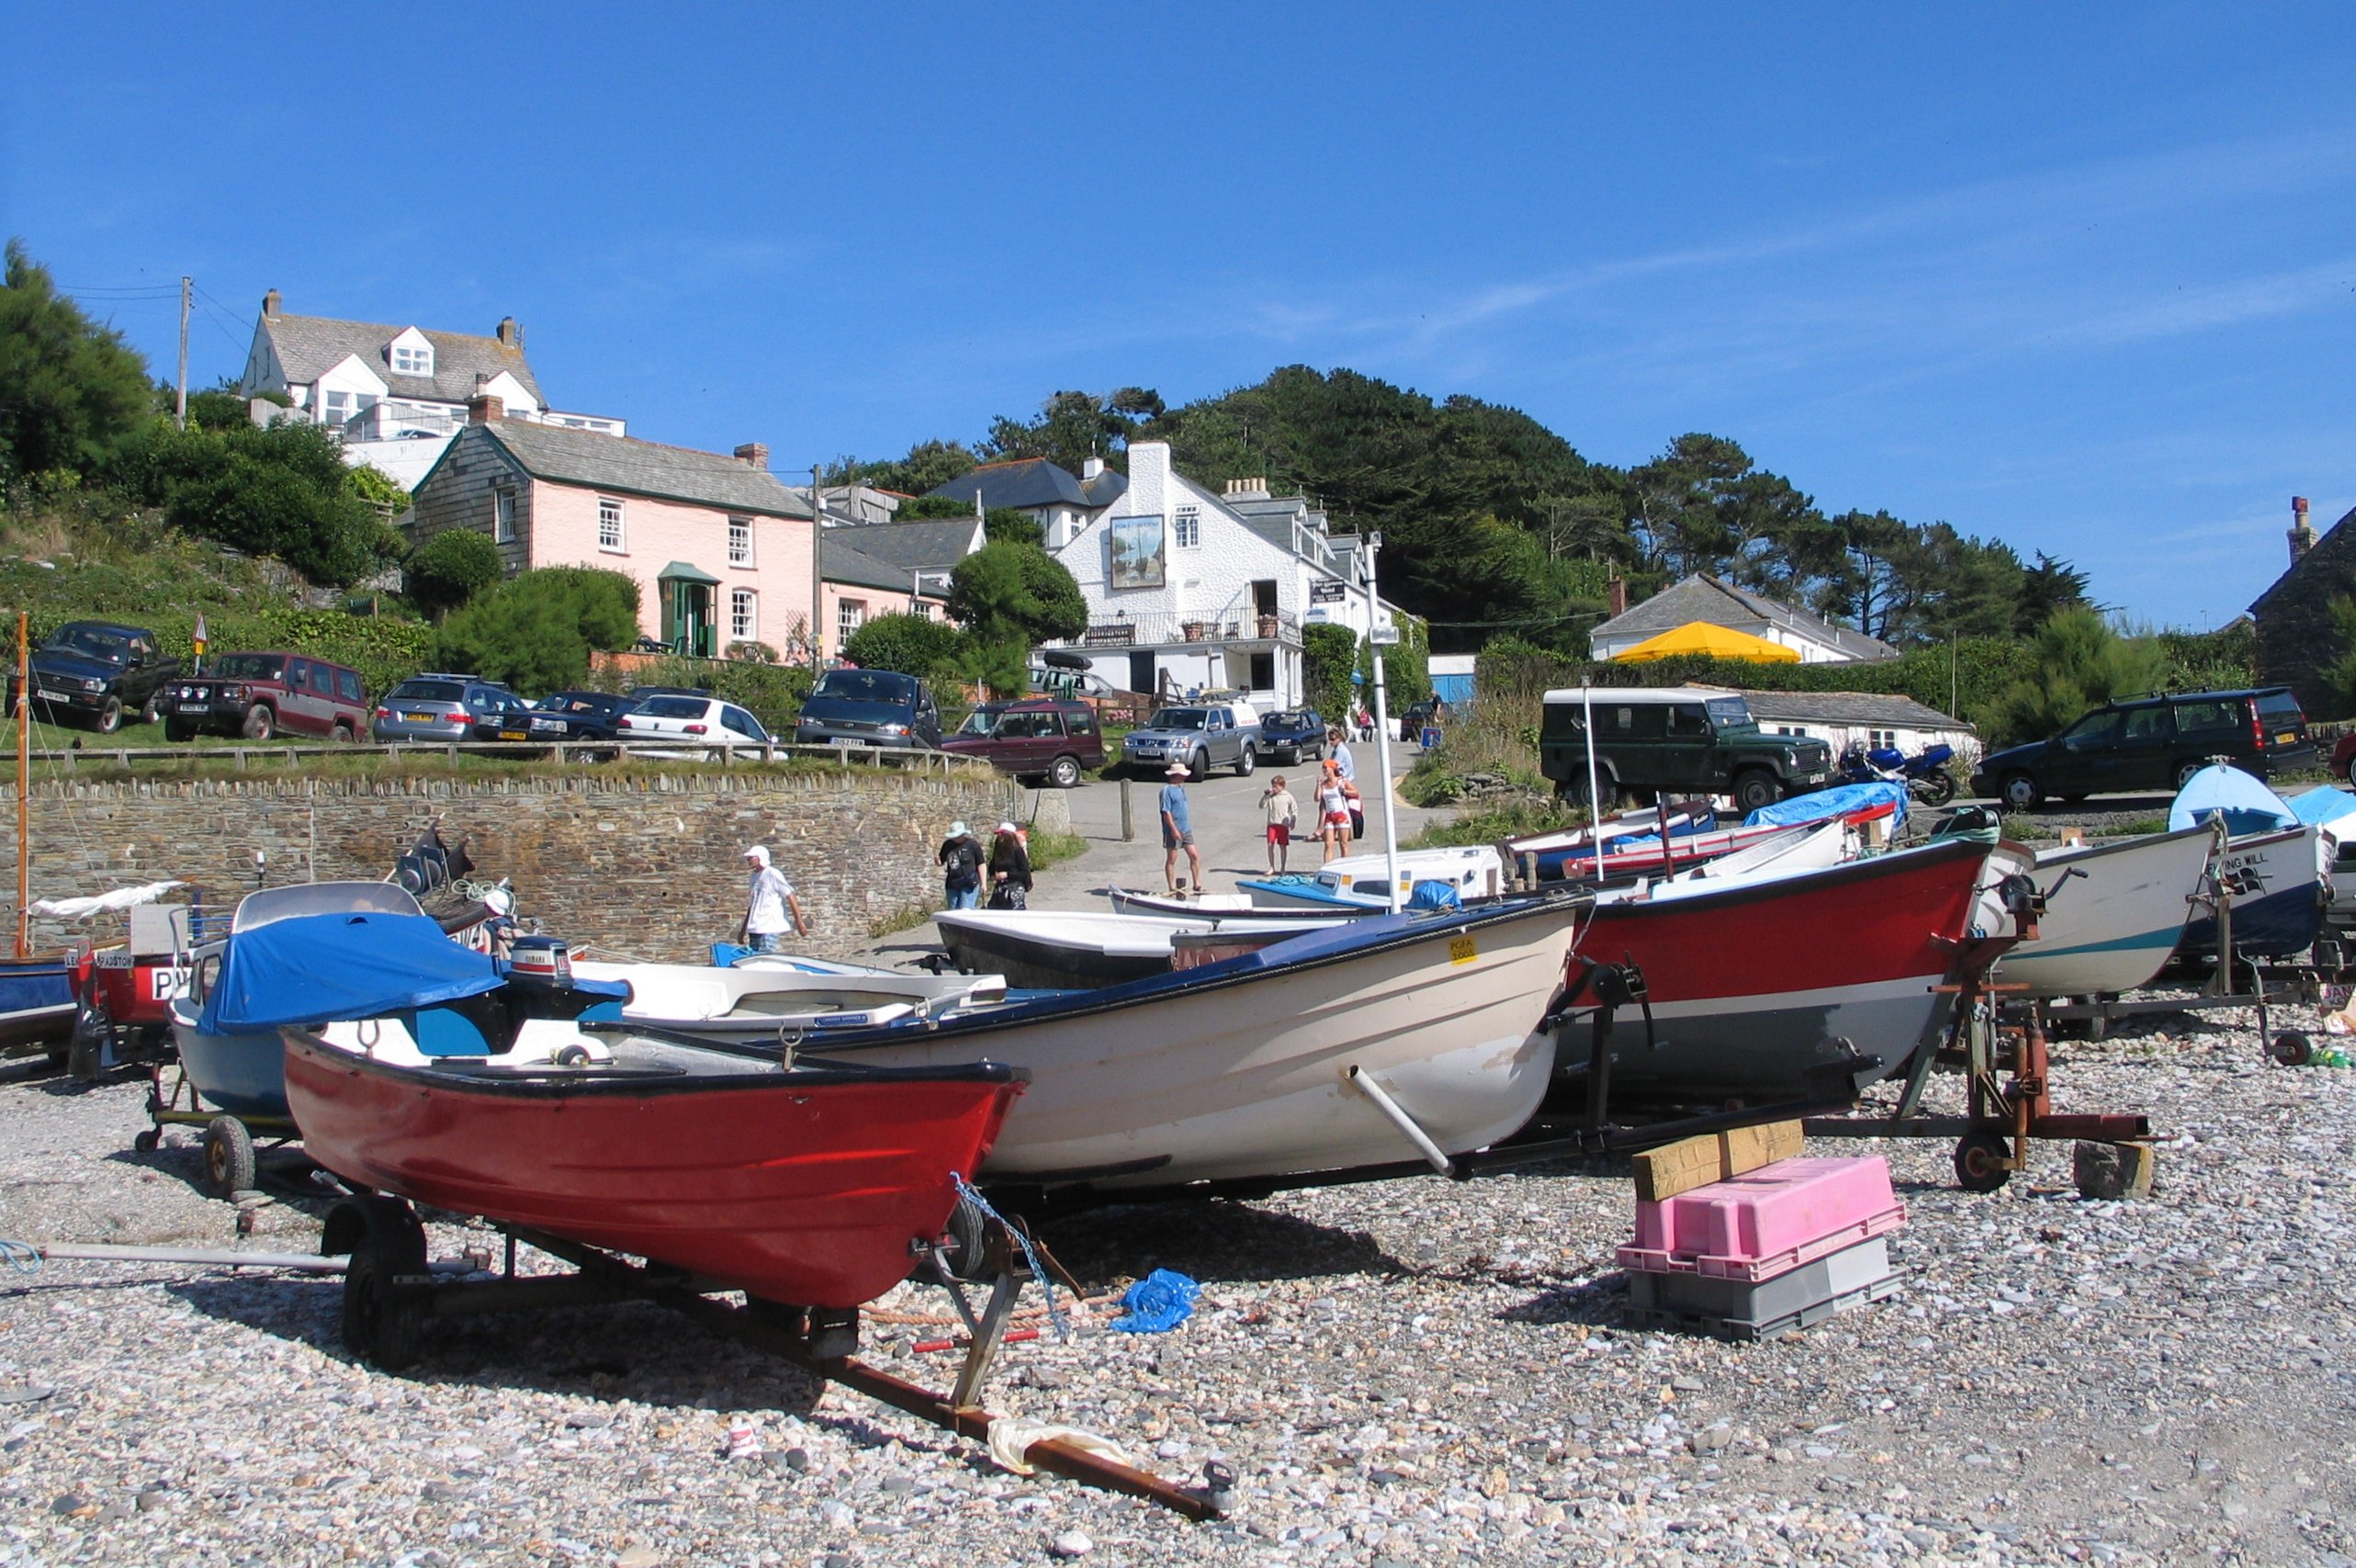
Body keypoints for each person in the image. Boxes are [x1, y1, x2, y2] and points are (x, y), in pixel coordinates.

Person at [738, 845, 808, 953]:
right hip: (755, 927)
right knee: (754, 960)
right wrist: (743, 930)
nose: (748, 860)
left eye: (751, 857)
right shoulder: (753, 877)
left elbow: (790, 896)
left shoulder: (772, 873)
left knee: (765, 959)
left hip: (769, 927)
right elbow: (752, 905)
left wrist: (799, 922)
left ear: (760, 858)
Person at [1159, 760, 1204, 894]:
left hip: (1185, 828)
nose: (1185, 777)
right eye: (1183, 775)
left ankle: (1197, 883)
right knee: (1172, 858)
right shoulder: (1166, 791)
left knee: (1194, 855)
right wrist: (1173, 830)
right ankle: (1172, 887)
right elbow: (1166, 812)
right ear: (1177, 775)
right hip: (1173, 830)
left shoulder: (1181, 788)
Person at [937, 820, 984, 910]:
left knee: (966, 910)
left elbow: (981, 864)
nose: (956, 838)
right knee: (953, 910)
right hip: (953, 883)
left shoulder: (972, 844)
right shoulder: (947, 845)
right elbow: (941, 862)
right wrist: (937, 861)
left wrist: (983, 884)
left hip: (969, 882)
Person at [1259, 773, 1300, 874]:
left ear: (1282, 786)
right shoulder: (1271, 797)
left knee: (1282, 846)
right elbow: (1261, 806)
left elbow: (1295, 809)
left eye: (1276, 786)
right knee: (1270, 845)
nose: (1274, 788)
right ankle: (1272, 866)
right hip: (1272, 824)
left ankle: (1283, 868)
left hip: (1283, 825)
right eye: (1273, 786)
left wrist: (1293, 820)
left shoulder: (1288, 797)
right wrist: (1266, 796)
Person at [986, 822, 1032, 909]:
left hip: (1014, 888)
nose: (999, 836)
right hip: (1000, 888)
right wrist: (993, 874)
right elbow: (992, 865)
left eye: (1002, 834)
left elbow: (1024, 872)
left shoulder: (1017, 851)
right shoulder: (998, 850)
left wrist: (1007, 874)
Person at [1314, 761, 1353, 863]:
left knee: (1343, 843)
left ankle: (1345, 866)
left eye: (1326, 768)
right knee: (1328, 844)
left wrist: (1345, 791)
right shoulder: (1323, 784)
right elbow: (1317, 798)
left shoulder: (1341, 781)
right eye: (1323, 768)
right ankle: (1327, 867)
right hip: (1329, 815)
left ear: (1332, 769)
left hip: (1341, 814)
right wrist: (1318, 785)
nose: (1324, 770)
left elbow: (1355, 793)